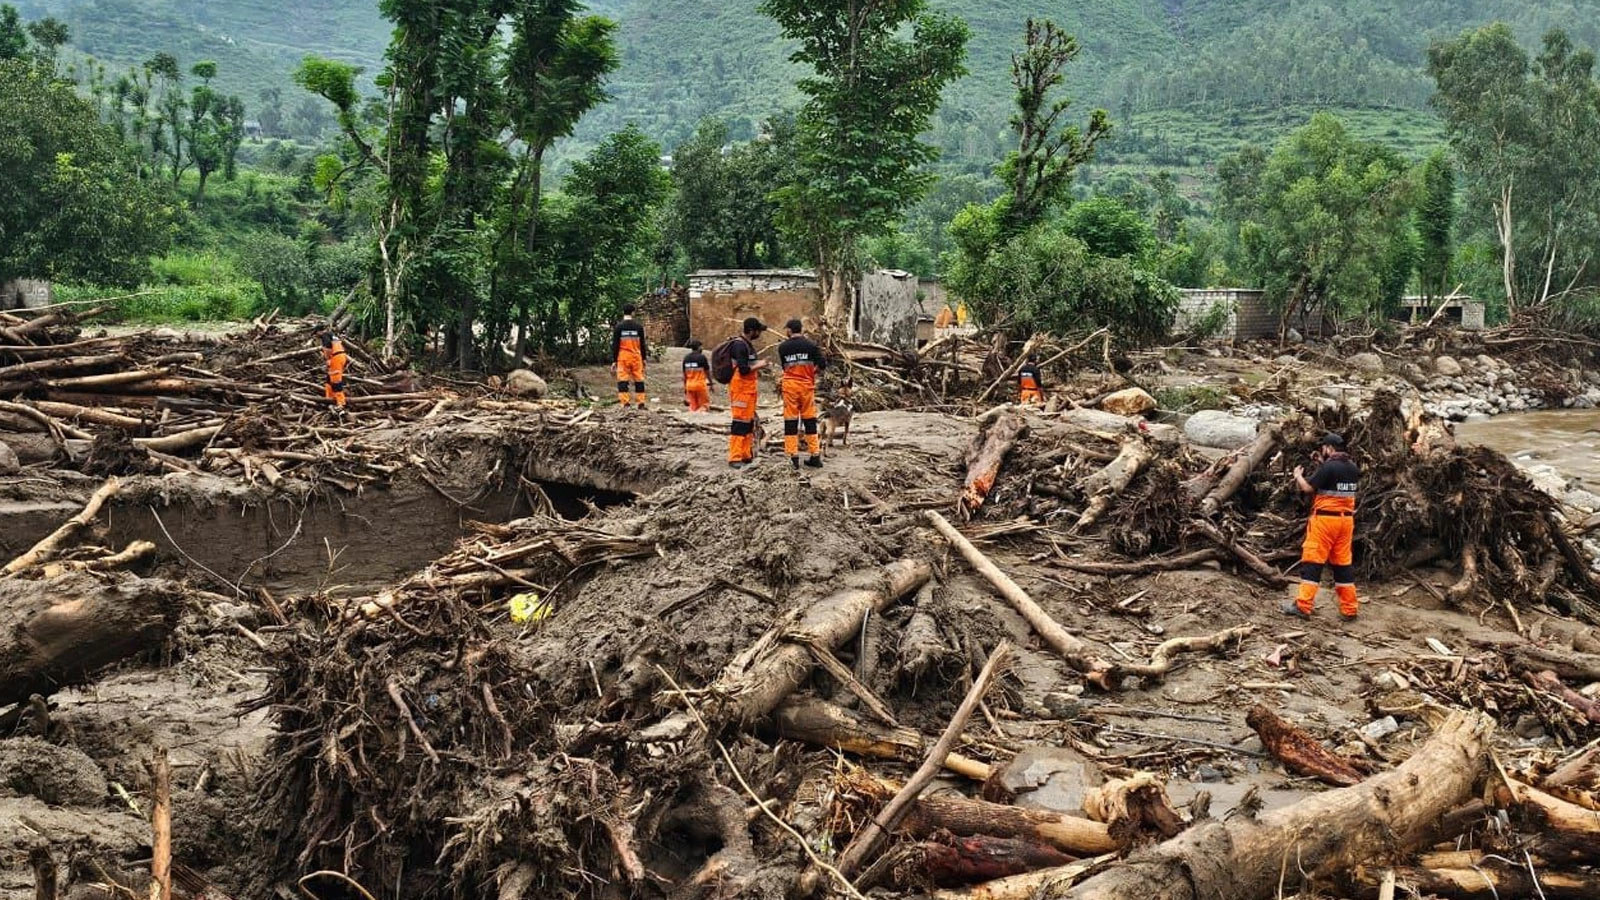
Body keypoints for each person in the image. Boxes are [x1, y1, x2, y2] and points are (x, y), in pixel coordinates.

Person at [1285, 432, 1361, 620]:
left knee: (1313, 561)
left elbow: (1308, 488)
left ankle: (1303, 606)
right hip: (1346, 522)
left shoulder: (1329, 467)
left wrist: (1298, 476)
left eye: (1324, 448)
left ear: (1329, 448)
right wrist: (1322, 464)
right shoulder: (1353, 467)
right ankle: (1349, 609)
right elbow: (1333, 480)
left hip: (1325, 521)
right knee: (1343, 564)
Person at [777, 319, 826, 470]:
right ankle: (815, 455)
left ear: (790, 330)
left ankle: (793, 457)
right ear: (801, 329)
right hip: (807, 387)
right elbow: (822, 365)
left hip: (790, 387)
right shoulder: (811, 345)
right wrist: (811, 373)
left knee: (790, 421)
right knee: (810, 420)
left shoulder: (783, 347)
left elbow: (784, 367)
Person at [727, 317, 768, 468]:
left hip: (749, 389)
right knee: (739, 422)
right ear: (751, 331)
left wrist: (758, 365)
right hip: (740, 389)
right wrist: (760, 365)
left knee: (748, 423)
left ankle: (746, 454)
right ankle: (734, 457)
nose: (759, 334)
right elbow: (743, 370)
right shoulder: (739, 345)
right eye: (758, 331)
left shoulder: (748, 345)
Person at [611, 304, 648, 408]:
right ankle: (640, 403)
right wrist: (644, 358)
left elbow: (615, 345)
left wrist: (614, 361)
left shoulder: (619, 327)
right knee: (639, 380)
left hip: (623, 357)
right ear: (633, 312)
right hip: (636, 357)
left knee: (623, 380)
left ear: (623, 312)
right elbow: (642, 344)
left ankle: (625, 403)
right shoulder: (638, 327)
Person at [316, 325, 348, 414]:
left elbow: (328, 347)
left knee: (336, 381)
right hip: (340, 356)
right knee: (329, 380)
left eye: (316, 334)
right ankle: (329, 399)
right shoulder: (332, 335)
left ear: (319, 331)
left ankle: (341, 403)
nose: (316, 336)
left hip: (335, 358)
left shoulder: (325, 335)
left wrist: (328, 358)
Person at [682, 339, 712, 412]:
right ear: (699, 347)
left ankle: (693, 419)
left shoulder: (686, 358)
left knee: (693, 407)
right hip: (700, 385)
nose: (702, 348)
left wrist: (685, 388)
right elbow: (707, 372)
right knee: (704, 406)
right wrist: (711, 383)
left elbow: (684, 375)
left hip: (689, 386)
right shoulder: (702, 357)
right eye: (701, 347)